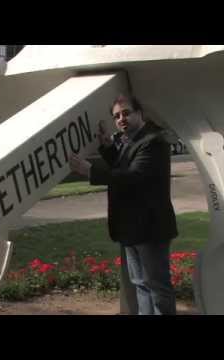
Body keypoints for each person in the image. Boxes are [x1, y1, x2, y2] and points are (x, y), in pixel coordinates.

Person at [69, 94, 178, 315]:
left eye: (126, 113)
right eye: (116, 116)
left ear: (140, 114)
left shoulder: (153, 142)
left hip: (150, 229)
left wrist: (90, 170)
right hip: (131, 228)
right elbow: (123, 167)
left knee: (157, 288)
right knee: (141, 284)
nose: (121, 119)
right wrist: (109, 148)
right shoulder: (131, 142)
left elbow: (133, 175)